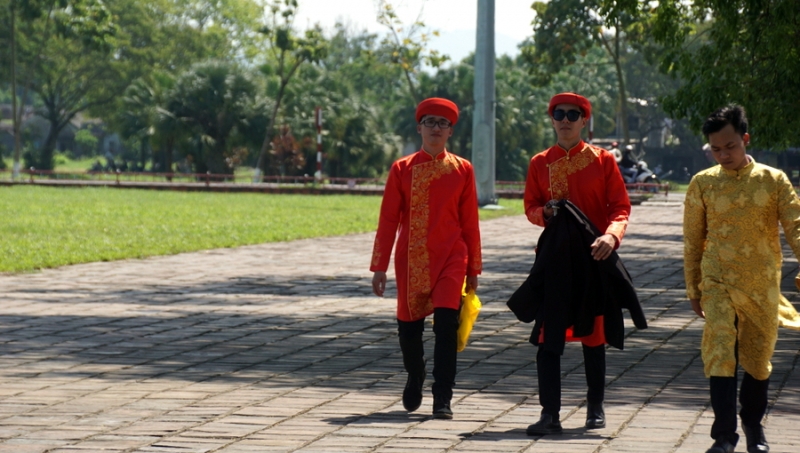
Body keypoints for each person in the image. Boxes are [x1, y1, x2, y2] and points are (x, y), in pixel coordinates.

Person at [684, 104, 800, 453]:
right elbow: (692, 241)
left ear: (745, 139)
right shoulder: (703, 183)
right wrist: (694, 288)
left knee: (757, 359)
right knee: (720, 352)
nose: (723, 155)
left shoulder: (773, 180)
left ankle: (752, 424)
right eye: (716, 149)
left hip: (761, 284)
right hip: (717, 281)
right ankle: (723, 436)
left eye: (730, 146)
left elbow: (796, 226)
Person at [521, 92, 632, 435]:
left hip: (594, 260)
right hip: (554, 263)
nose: (565, 120)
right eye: (559, 113)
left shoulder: (603, 161)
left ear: (585, 121)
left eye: (573, 114)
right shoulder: (539, 162)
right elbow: (530, 207)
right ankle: (549, 413)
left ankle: (595, 407)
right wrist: (546, 213)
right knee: (546, 338)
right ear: (551, 118)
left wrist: (611, 237)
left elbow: (620, 208)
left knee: (593, 337)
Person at [370, 97, 482, 420]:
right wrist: (379, 266)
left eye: (443, 123)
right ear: (419, 127)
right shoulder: (401, 169)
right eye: (430, 122)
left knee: (447, 325)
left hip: (451, 256)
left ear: (450, 132)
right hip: (411, 258)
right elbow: (389, 219)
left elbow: (470, 221)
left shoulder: (463, 170)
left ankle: (443, 396)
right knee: (409, 329)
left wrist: (473, 266)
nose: (436, 128)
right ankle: (415, 373)